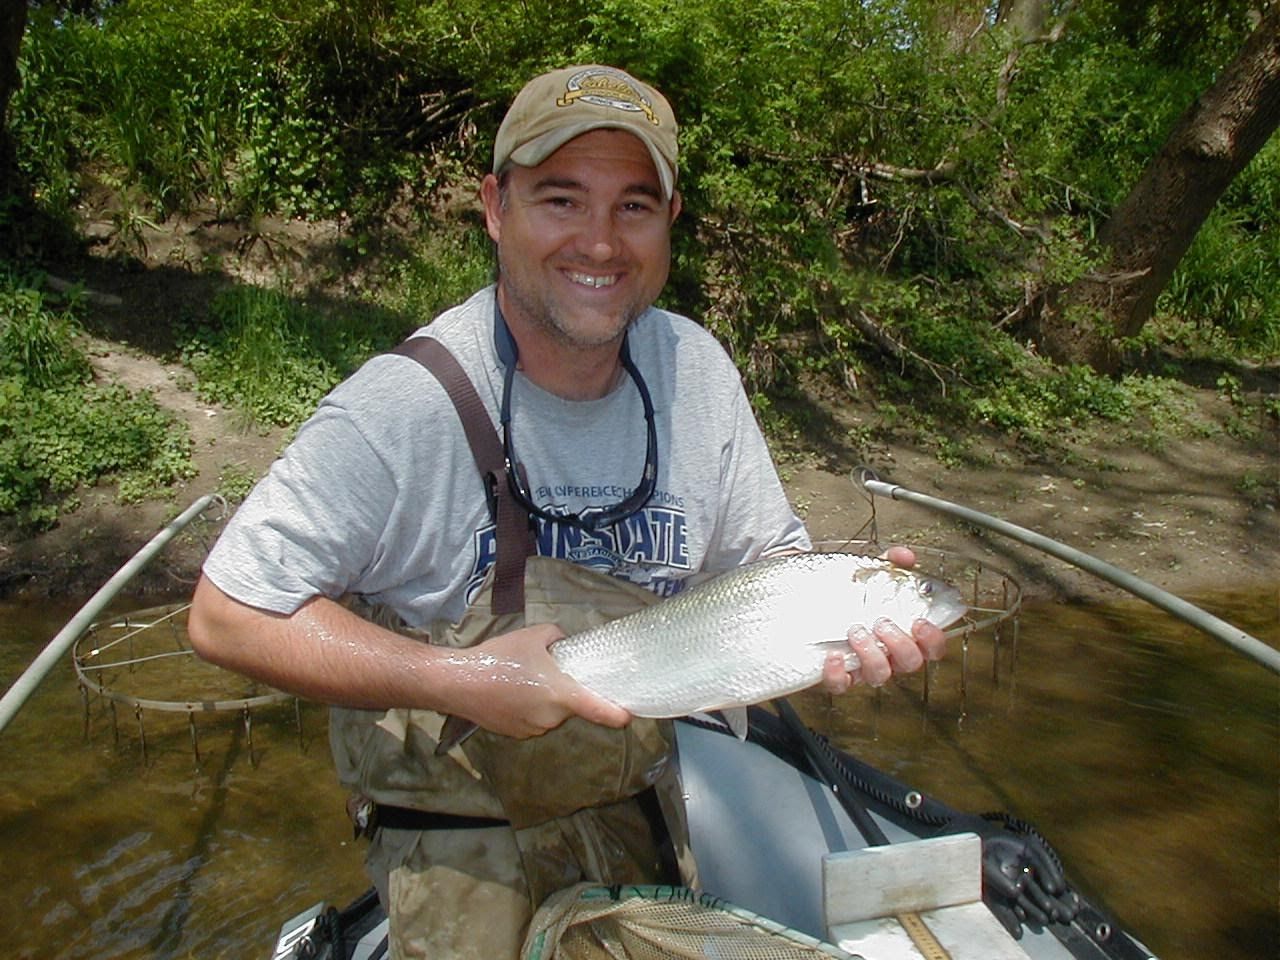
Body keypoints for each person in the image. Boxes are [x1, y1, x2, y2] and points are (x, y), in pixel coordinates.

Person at [188, 64, 946, 959]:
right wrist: (463, 682)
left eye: (634, 206)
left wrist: (841, 627)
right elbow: (224, 617)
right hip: (456, 854)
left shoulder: (695, 372)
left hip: (640, 813)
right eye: (561, 199)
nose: (600, 242)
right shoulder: (402, 407)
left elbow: (764, 571)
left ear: (670, 223)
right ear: (495, 207)